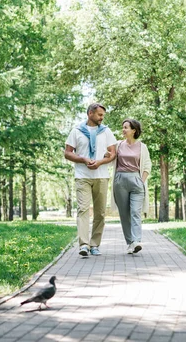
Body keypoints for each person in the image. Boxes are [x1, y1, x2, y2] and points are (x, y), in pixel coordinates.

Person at [65, 103, 117, 257]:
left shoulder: (106, 132)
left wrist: (100, 162)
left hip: (101, 176)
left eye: (103, 115)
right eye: (100, 115)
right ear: (90, 114)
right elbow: (67, 153)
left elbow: (113, 153)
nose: (102, 118)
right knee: (83, 210)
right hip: (82, 176)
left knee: (100, 213)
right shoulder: (76, 131)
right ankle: (83, 245)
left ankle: (95, 245)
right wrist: (83, 159)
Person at [110, 118, 152, 254]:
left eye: (126, 127)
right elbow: (109, 157)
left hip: (136, 180)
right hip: (120, 180)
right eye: (123, 127)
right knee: (124, 214)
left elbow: (147, 166)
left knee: (135, 212)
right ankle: (130, 243)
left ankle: (136, 241)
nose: (123, 129)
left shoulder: (142, 147)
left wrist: (141, 180)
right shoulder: (118, 145)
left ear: (134, 130)